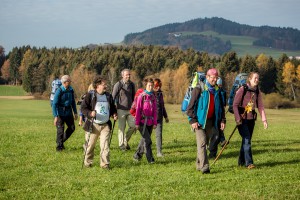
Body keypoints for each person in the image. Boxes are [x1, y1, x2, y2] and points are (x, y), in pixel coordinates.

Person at [186, 68, 226, 174]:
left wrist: (222, 120)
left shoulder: (218, 90)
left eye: (216, 77)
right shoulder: (199, 88)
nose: (215, 80)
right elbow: (189, 107)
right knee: (203, 142)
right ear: (207, 77)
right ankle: (205, 167)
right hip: (199, 121)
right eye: (213, 77)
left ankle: (199, 164)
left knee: (204, 143)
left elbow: (221, 108)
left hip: (211, 121)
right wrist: (193, 120)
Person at [81, 76, 118, 169]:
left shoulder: (108, 96)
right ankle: (87, 163)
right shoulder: (90, 95)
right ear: (97, 85)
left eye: (106, 84)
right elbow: (83, 108)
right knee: (90, 146)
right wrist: (90, 113)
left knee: (105, 146)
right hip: (93, 125)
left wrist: (114, 114)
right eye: (104, 84)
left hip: (105, 125)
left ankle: (105, 164)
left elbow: (113, 107)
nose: (106, 86)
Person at [233, 72, 268, 169]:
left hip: (251, 119)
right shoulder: (242, 89)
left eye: (258, 78)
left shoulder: (257, 91)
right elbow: (235, 105)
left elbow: (260, 106)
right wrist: (238, 118)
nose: (257, 80)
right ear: (250, 79)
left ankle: (241, 161)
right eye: (255, 78)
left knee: (246, 140)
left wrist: (264, 120)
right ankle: (249, 163)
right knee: (247, 139)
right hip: (242, 119)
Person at [133, 78, 157, 163]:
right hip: (142, 122)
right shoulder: (141, 96)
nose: (150, 87)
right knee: (148, 140)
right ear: (146, 86)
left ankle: (137, 156)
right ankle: (150, 159)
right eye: (149, 85)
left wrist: (155, 123)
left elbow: (154, 111)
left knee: (144, 140)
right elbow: (138, 110)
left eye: (152, 85)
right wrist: (137, 123)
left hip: (150, 122)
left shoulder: (153, 97)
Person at [52, 75, 78, 151]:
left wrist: (75, 112)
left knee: (72, 128)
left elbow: (73, 102)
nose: (70, 82)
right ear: (64, 82)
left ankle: (60, 141)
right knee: (60, 130)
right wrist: (55, 116)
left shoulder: (71, 89)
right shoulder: (59, 91)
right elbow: (54, 104)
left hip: (69, 112)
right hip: (60, 113)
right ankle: (59, 147)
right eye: (69, 81)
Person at [112, 69, 136, 151]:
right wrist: (113, 111)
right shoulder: (118, 84)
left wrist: (135, 108)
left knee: (133, 126)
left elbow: (134, 98)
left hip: (130, 110)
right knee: (121, 128)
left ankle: (125, 141)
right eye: (126, 75)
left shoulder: (132, 85)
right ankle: (122, 146)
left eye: (129, 74)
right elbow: (113, 97)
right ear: (122, 75)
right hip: (120, 109)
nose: (128, 76)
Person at [208, 77, 228, 158]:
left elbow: (222, 105)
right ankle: (212, 153)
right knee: (215, 136)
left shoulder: (220, 92)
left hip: (218, 117)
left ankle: (212, 153)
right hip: (212, 117)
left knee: (216, 135)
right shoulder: (213, 91)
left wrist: (223, 119)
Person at [153, 78, 169, 157]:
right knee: (146, 137)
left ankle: (159, 152)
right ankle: (139, 153)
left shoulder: (160, 94)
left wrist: (165, 116)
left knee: (159, 135)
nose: (158, 87)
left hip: (159, 118)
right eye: (156, 86)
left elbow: (162, 106)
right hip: (150, 118)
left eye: (159, 85)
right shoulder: (150, 94)